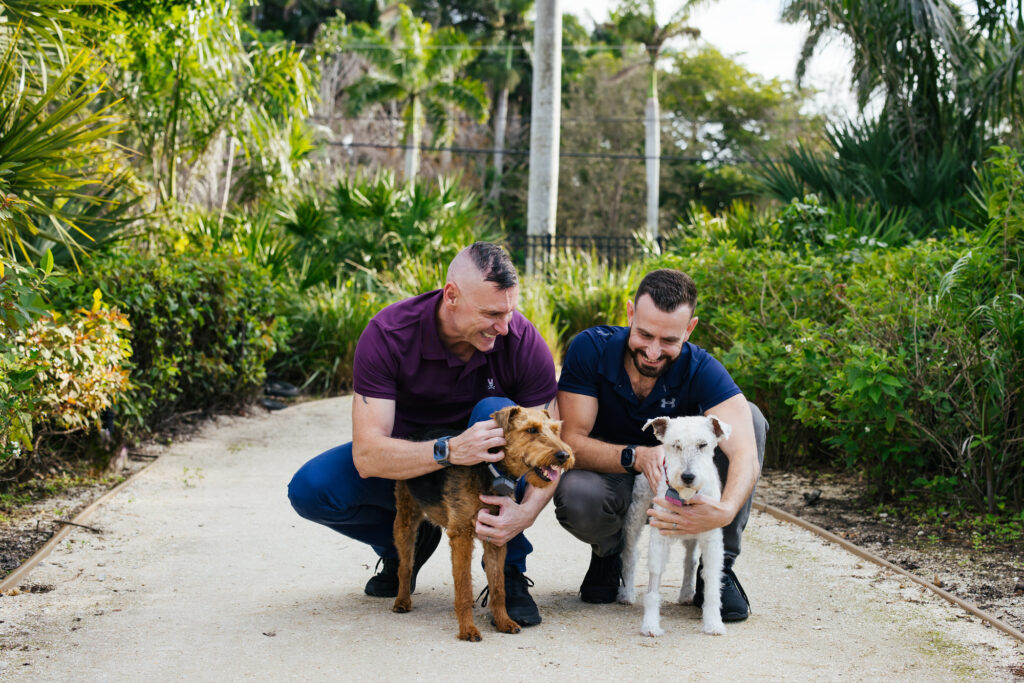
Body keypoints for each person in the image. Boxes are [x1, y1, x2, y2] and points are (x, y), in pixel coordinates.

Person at [287, 242, 559, 626]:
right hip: (414, 462)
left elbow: (548, 449)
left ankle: (509, 569)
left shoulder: (523, 341)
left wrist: (526, 512)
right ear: (451, 296)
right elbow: (367, 454)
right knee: (311, 489)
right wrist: (449, 450)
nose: (504, 327)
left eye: (510, 312)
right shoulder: (388, 334)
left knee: (492, 414)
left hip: (483, 469)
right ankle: (406, 548)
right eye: (491, 313)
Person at [554, 268, 767, 622]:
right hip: (614, 472)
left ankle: (718, 567)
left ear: (689, 329)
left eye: (669, 340)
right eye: (644, 334)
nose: (653, 352)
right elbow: (569, 442)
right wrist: (636, 456)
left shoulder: (702, 368)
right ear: (629, 314)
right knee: (577, 495)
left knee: (751, 417)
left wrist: (726, 509)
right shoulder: (589, 349)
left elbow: (745, 450)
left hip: (683, 472)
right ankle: (609, 554)